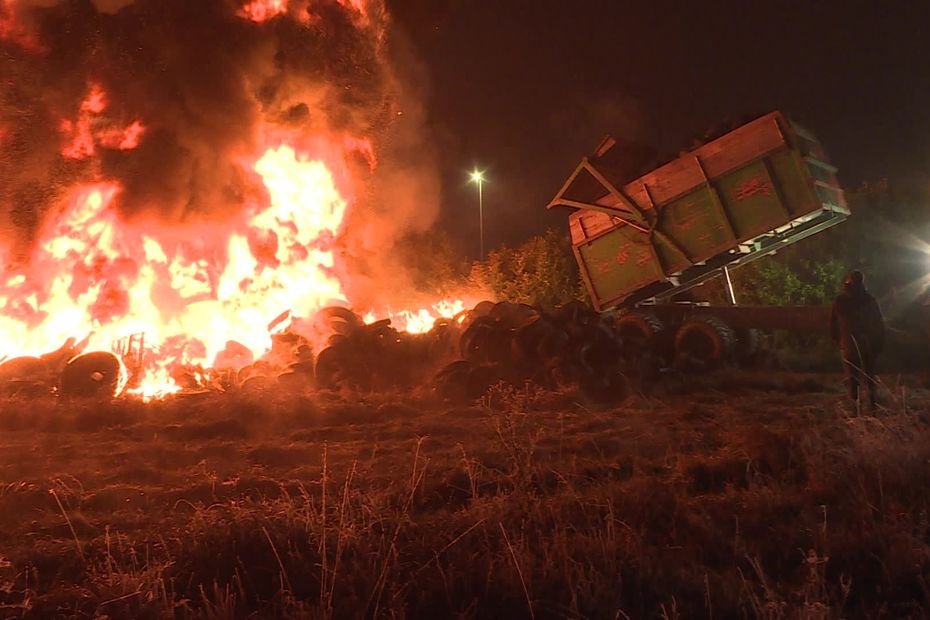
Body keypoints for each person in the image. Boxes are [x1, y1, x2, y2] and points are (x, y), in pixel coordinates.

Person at [830, 270, 885, 409]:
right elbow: (878, 323)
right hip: (868, 345)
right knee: (870, 378)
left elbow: (833, 324)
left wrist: (837, 341)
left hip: (848, 345)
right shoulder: (869, 300)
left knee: (852, 380)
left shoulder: (840, 301)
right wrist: (878, 344)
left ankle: (855, 409)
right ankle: (872, 407)